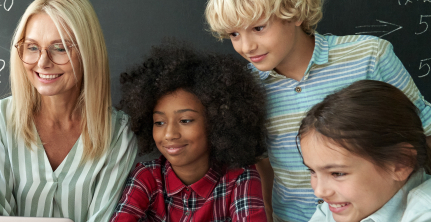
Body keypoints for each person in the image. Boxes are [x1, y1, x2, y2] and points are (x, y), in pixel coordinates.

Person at [204, 0, 431, 221]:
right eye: (234, 34)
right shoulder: (246, 87)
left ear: (294, 13)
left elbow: (424, 131)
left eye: (258, 28)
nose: (246, 46)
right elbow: (262, 162)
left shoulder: (369, 55)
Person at [0, 0, 138, 221]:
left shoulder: (118, 133)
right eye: (32, 47)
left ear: (88, 52)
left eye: (60, 47)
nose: (42, 62)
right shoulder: (0, 118)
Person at [111, 40, 267, 222]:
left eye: (185, 120)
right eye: (159, 122)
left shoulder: (240, 177)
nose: (169, 134)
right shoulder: (146, 177)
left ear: (217, 122)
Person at [299, 80, 431, 221]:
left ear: (401, 163)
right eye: (312, 171)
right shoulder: (337, 203)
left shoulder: (424, 212)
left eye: (337, 173)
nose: (319, 192)